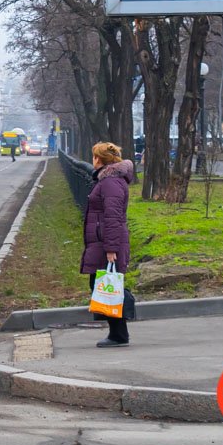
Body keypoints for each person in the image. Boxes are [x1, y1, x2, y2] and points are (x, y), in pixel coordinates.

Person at [81, 141, 135, 348]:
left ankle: (119, 334)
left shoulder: (110, 183)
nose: (92, 160)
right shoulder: (106, 181)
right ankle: (117, 333)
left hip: (107, 243)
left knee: (108, 285)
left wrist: (111, 249)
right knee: (103, 283)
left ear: (100, 159)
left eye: (94, 157)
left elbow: (112, 217)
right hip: (102, 241)